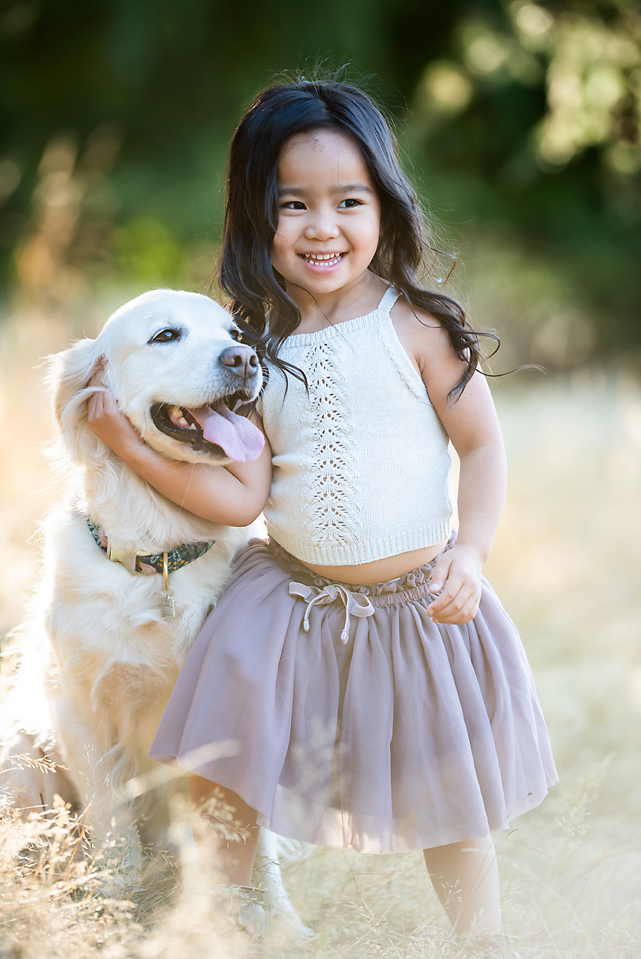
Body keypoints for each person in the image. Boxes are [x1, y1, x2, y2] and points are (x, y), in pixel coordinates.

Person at [87, 79, 557, 948]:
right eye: (292, 203)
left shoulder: (415, 326)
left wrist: (473, 551)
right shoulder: (254, 348)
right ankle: (222, 926)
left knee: (450, 801)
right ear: (255, 215)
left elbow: (482, 447)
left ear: (385, 203)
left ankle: (480, 943)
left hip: (418, 602)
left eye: (348, 201)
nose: (320, 226)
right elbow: (241, 493)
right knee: (221, 769)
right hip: (287, 602)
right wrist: (130, 444)